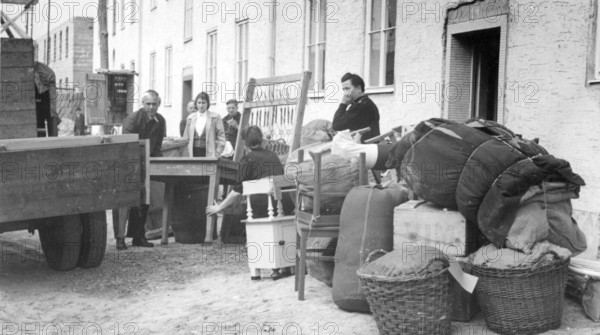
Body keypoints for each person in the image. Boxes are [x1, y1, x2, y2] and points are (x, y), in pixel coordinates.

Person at [206, 126, 294, 279]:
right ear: (262, 140)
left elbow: (237, 190)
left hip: (261, 204)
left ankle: (271, 267)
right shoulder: (273, 155)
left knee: (254, 210)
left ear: (245, 144)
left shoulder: (247, 159)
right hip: (283, 202)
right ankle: (284, 266)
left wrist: (219, 207)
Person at [115, 90, 166, 249]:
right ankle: (120, 238)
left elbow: (157, 147)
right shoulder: (132, 120)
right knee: (125, 200)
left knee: (144, 198)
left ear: (159, 104)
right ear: (142, 104)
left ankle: (138, 237)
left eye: (154, 104)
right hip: (127, 163)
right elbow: (126, 146)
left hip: (145, 164)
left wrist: (159, 165)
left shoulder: (160, 121)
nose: (151, 107)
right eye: (148, 104)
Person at [332, 72, 380, 143]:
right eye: (344, 89)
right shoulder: (365, 102)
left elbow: (336, 125)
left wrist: (343, 104)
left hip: (366, 147)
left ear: (358, 88)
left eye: (347, 89)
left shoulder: (361, 106)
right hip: (367, 144)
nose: (345, 93)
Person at [182, 92, 226, 158]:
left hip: (209, 153)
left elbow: (221, 136)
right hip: (193, 153)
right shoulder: (190, 118)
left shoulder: (215, 117)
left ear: (207, 103)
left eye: (203, 102)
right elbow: (186, 137)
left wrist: (218, 152)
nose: (201, 105)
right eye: (199, 103)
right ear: (196, 104)